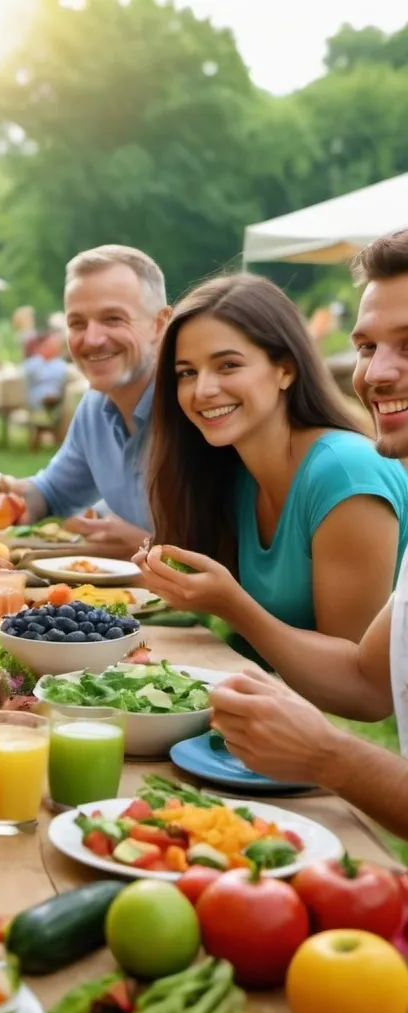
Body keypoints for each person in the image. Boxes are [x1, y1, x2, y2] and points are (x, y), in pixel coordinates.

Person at [203, 231, 408, 844]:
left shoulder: (344, 471)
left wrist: (329, 756)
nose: (376, 372)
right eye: (367, 346)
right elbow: (370, 684)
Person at [134, 273, 408, 668]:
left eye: (227, 365)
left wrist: (233, 605)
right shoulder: (234, 470)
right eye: (186, 372)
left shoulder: (345, 472)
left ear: (285, 370)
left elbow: (360, 681)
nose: (203, 390)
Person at [0, 245, 170, 553]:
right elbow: (53, 494)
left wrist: (147, 546)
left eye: (113, 319)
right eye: (77, 323)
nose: (91, 339)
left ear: (160, 324)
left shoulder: (194, 408)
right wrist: (12, 497)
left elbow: (235, 548)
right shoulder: (95, 405)